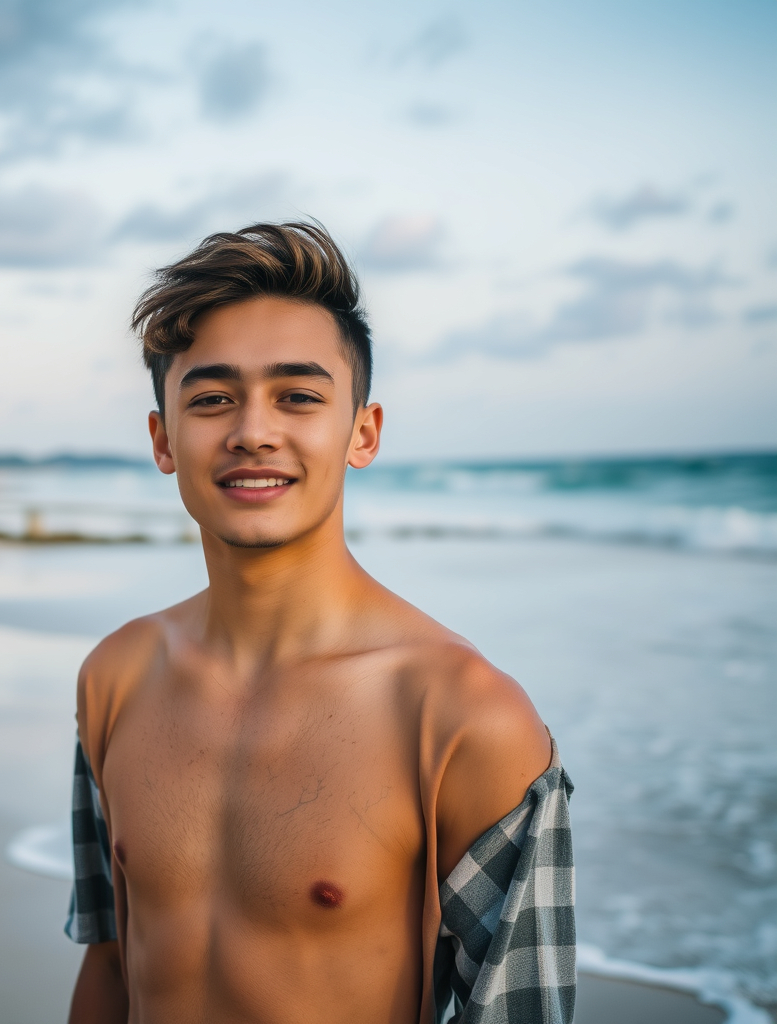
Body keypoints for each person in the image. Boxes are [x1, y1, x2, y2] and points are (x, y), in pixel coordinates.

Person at [65, 223, 575, 1024]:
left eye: (298, 396)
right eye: (211, 398)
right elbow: (108, 960)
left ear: (362, 433)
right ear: (163, 438)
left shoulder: (463, 718)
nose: (253, 431)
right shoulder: (115, 677)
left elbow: (520, 1013)